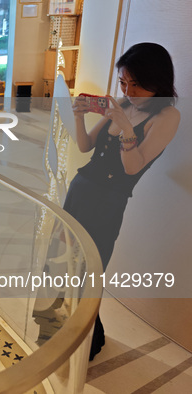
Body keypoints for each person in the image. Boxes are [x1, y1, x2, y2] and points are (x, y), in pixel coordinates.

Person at [67, 42, 180, 360]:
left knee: (89, 272)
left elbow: (133, 167)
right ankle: (60, 330)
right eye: (123, 83)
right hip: (80, 188)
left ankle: (86, 341)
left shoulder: (168, 116)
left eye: (136, 84)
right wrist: (79, 116)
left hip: (108, 202)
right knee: (63, 262)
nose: (128, 91)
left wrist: (127, 126)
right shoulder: (120, 102)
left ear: (157, 82)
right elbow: (86, 145)